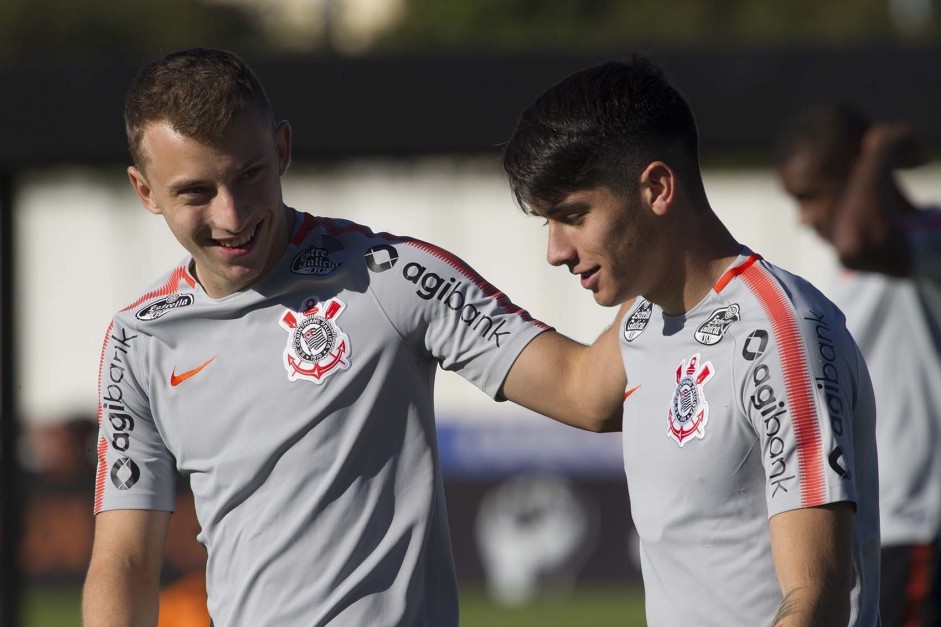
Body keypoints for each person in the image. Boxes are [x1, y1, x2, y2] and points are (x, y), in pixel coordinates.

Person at [82, 48, 627, 626]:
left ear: (282, 150)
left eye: (250, 175)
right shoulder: (138, 340)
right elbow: (126, 560)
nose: (233, 214)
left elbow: (584, 392)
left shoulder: (392, 277)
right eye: (196, 192)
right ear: (145, 192)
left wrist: (670, 256)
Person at [502, 56, 881, 625]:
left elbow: (816, 600)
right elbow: (576, 389)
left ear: (657, 187)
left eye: (573, 216)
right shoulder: (643, 318)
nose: (556, 250)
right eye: (547, 224)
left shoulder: (780, 334)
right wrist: (429, 301)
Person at [775, 104, 941, 627]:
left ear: (857, 177)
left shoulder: (927, 236)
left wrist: (880, 150)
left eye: (810, 195)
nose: (804, 217)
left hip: (918, 528)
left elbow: (859, 240)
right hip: (875, 532)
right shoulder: (847, 273)